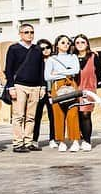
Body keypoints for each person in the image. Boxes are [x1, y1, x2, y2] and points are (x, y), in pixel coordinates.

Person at [5, 23, 45, 152]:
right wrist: (11, 87)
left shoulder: (37, 49)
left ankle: (28, 142)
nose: (30, 35)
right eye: (26, 32)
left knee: (31, 116)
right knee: (19, 116)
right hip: (19, 86)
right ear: (20, 34)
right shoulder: (14, 49)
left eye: (32, 32)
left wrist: (42, 86)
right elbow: (9, 69)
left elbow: (41, 69)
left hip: (35, 87)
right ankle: (18, 143)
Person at [44, 34, 81, 153]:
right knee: (58, 114)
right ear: (57, 45)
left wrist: (58, 72)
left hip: (71, 84)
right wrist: (66, 72)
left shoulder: (73, 56)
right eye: (63, 42)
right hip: (57, 86)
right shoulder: (51, 59)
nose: (66, 45)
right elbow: (47, 76)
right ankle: (61, 141)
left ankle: (75, 140)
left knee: (73, 113)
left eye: (68, 43)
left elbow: (75, 71)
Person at [72, 34, 101, 152]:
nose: (80, 45)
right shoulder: (72, 57)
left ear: (87, 44)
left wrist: (95, 84)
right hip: (74, 89)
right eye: (77, 42)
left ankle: (87, 140)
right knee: (76, 115)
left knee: (85, 114)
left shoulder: (93, 56)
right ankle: (76, 138)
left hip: (89, 89)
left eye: (82, 42)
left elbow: (99, 73)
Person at [32, 39, 57, 148]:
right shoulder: (36, 61)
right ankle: (34, 139)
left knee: (53, 116)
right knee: (37, 116)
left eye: (48, 47)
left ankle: (53, 139)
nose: (46, 50)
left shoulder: (55, 60)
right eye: (42, 48)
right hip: (39, 92)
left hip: (53, 92)